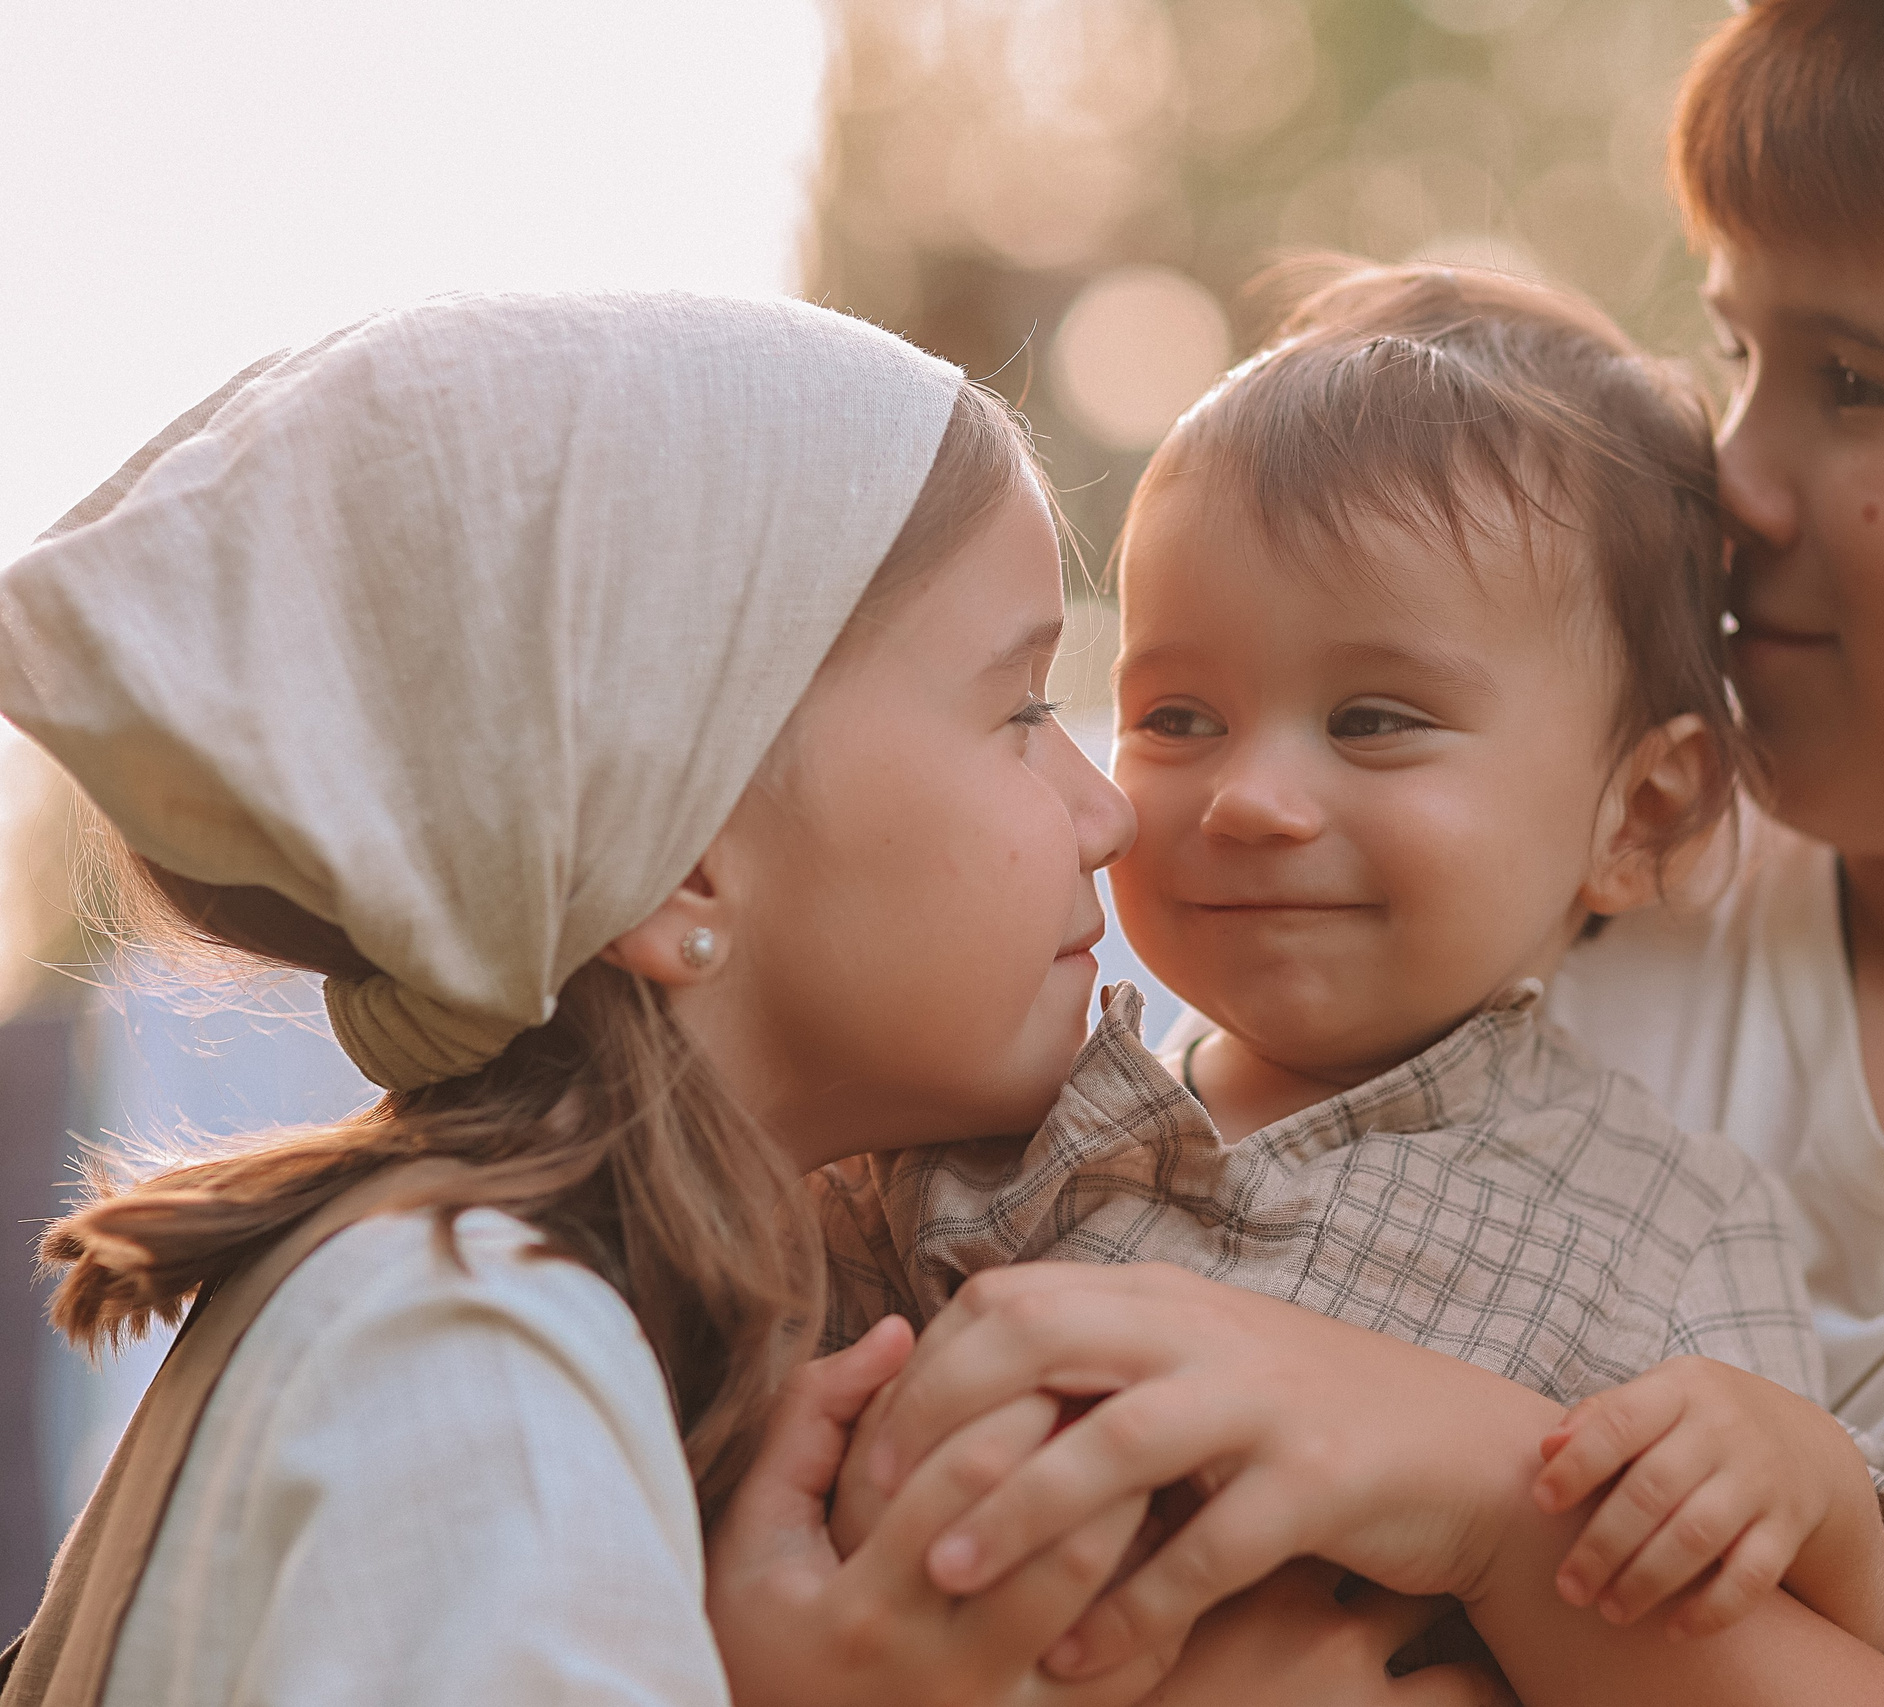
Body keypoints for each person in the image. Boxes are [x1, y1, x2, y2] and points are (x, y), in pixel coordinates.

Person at [831, 0, 1884, 1702]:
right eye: (1741, 359)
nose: (1734, 480)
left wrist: (1495, 1500)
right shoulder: (1492, 844)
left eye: (1858, 384)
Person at [0, 290, 1189, 1707]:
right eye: (1019, 711)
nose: (1106, 812)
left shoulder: (475, 1311)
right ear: (683, 868)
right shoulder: (472, 1374)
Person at [819, 260, 1884, 1689]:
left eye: (1370, 720)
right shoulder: (987, 1121)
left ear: (1641, 813)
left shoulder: (1656, 1223)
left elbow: (1795, 1627)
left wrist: (1807, 1482)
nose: (1251, 802)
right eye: (1176, 716)